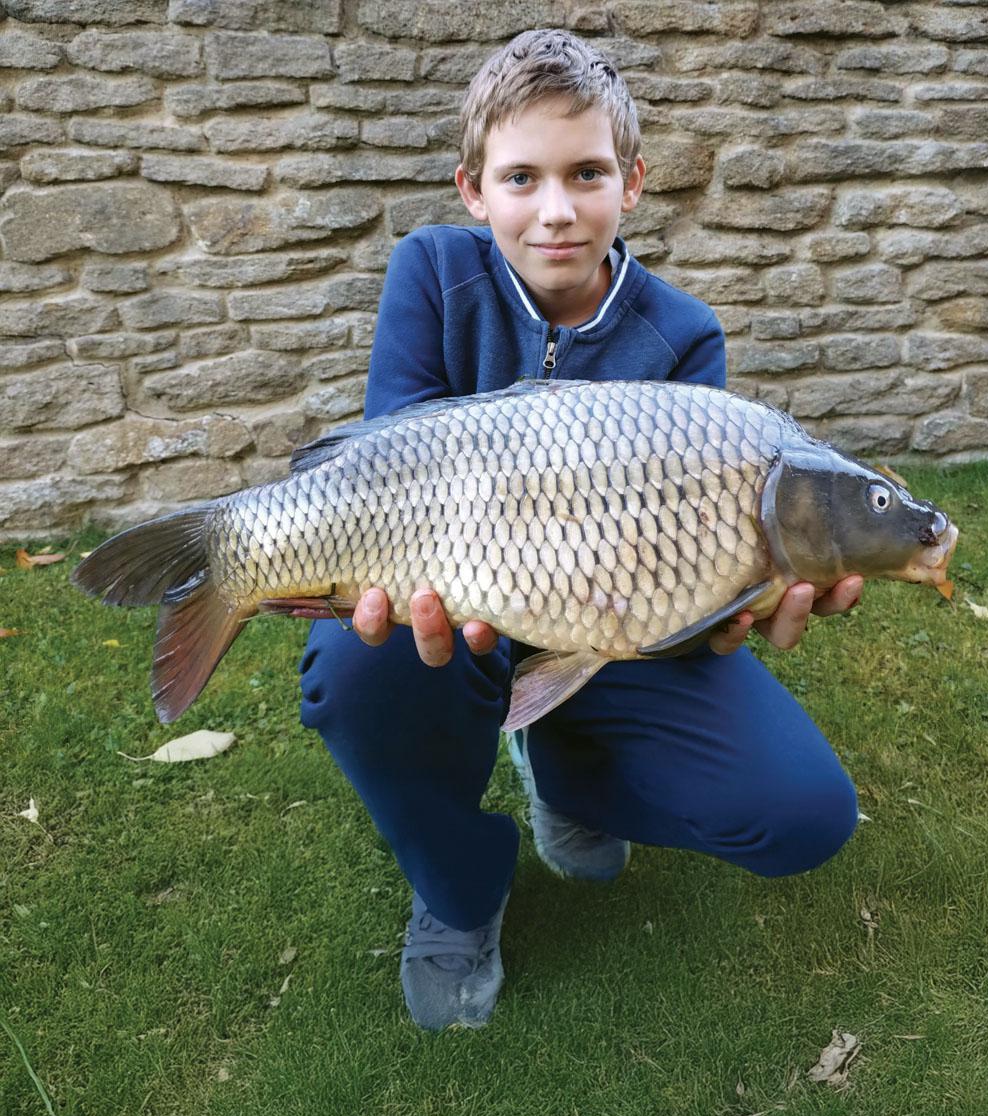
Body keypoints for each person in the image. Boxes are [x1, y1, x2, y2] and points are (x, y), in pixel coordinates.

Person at [298, 29, 862, 1031]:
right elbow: (387, 471)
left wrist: (728, 610)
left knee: (802, 812)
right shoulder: (431, 273)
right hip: (455, 598)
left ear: (631, 182)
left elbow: (691, 571)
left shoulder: (682, 336)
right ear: (474, 191)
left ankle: (571, 780)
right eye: (521, 177)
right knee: (355, 669)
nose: (555, 209)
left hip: (614, 619)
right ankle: (460, 888)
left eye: (586, 173)